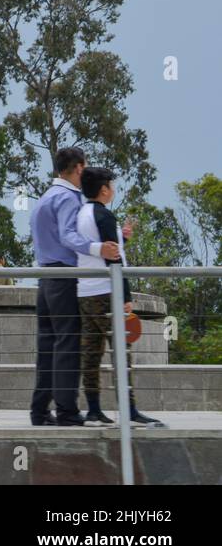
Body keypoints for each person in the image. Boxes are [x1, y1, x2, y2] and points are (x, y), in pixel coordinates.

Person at [28, 147, 122, 427]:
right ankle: (67, 412)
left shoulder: (45, 198)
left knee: (47, 348)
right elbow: (68, 236)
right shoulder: (68, 198)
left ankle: (40, 411)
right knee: (69, 345)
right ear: (79, 168)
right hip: (66, 276)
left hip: (45, 279)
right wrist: (98, 249)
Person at [76, 167, 164, 428]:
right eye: (111, 186)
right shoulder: (104, 215)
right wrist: (125, 295)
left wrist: (120, 237)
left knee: (91, 353)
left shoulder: (83, 213)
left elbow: (101, 246)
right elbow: (113, 258)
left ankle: (93, 410)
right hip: (106, 291)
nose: (113, 189)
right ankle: (130, 411)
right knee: (121, 352)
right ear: (104, 189)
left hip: (85, 291)